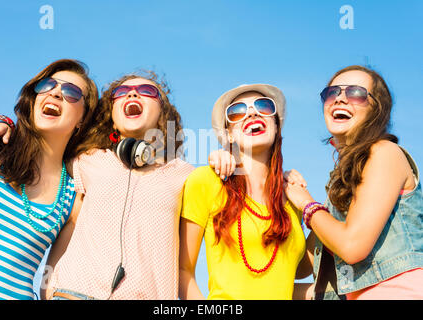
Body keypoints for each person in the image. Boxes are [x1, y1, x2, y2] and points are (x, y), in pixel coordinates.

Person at [284, 65, 423, 300]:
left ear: (376, 109)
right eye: (332, 93)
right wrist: (278, 197)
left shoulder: (385, 153)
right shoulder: (339, 192)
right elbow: (298, 268)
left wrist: (306, 204)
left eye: (355, 93)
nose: (340, 99)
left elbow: (351, 247)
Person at [0, 59, 99, 300]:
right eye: (47, 85)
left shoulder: (73, 197)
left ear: (82, 119)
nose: (55, 92)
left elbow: (50, 285)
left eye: (71, 92)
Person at [179, 84, 310, 300]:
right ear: (228, 135)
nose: (251, 112)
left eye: (264, 106)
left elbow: (299, 270)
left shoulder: (292, 197)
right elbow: (183, 270)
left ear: (277, 127)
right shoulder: (207, 181)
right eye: (237, 111)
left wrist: (315, 207)